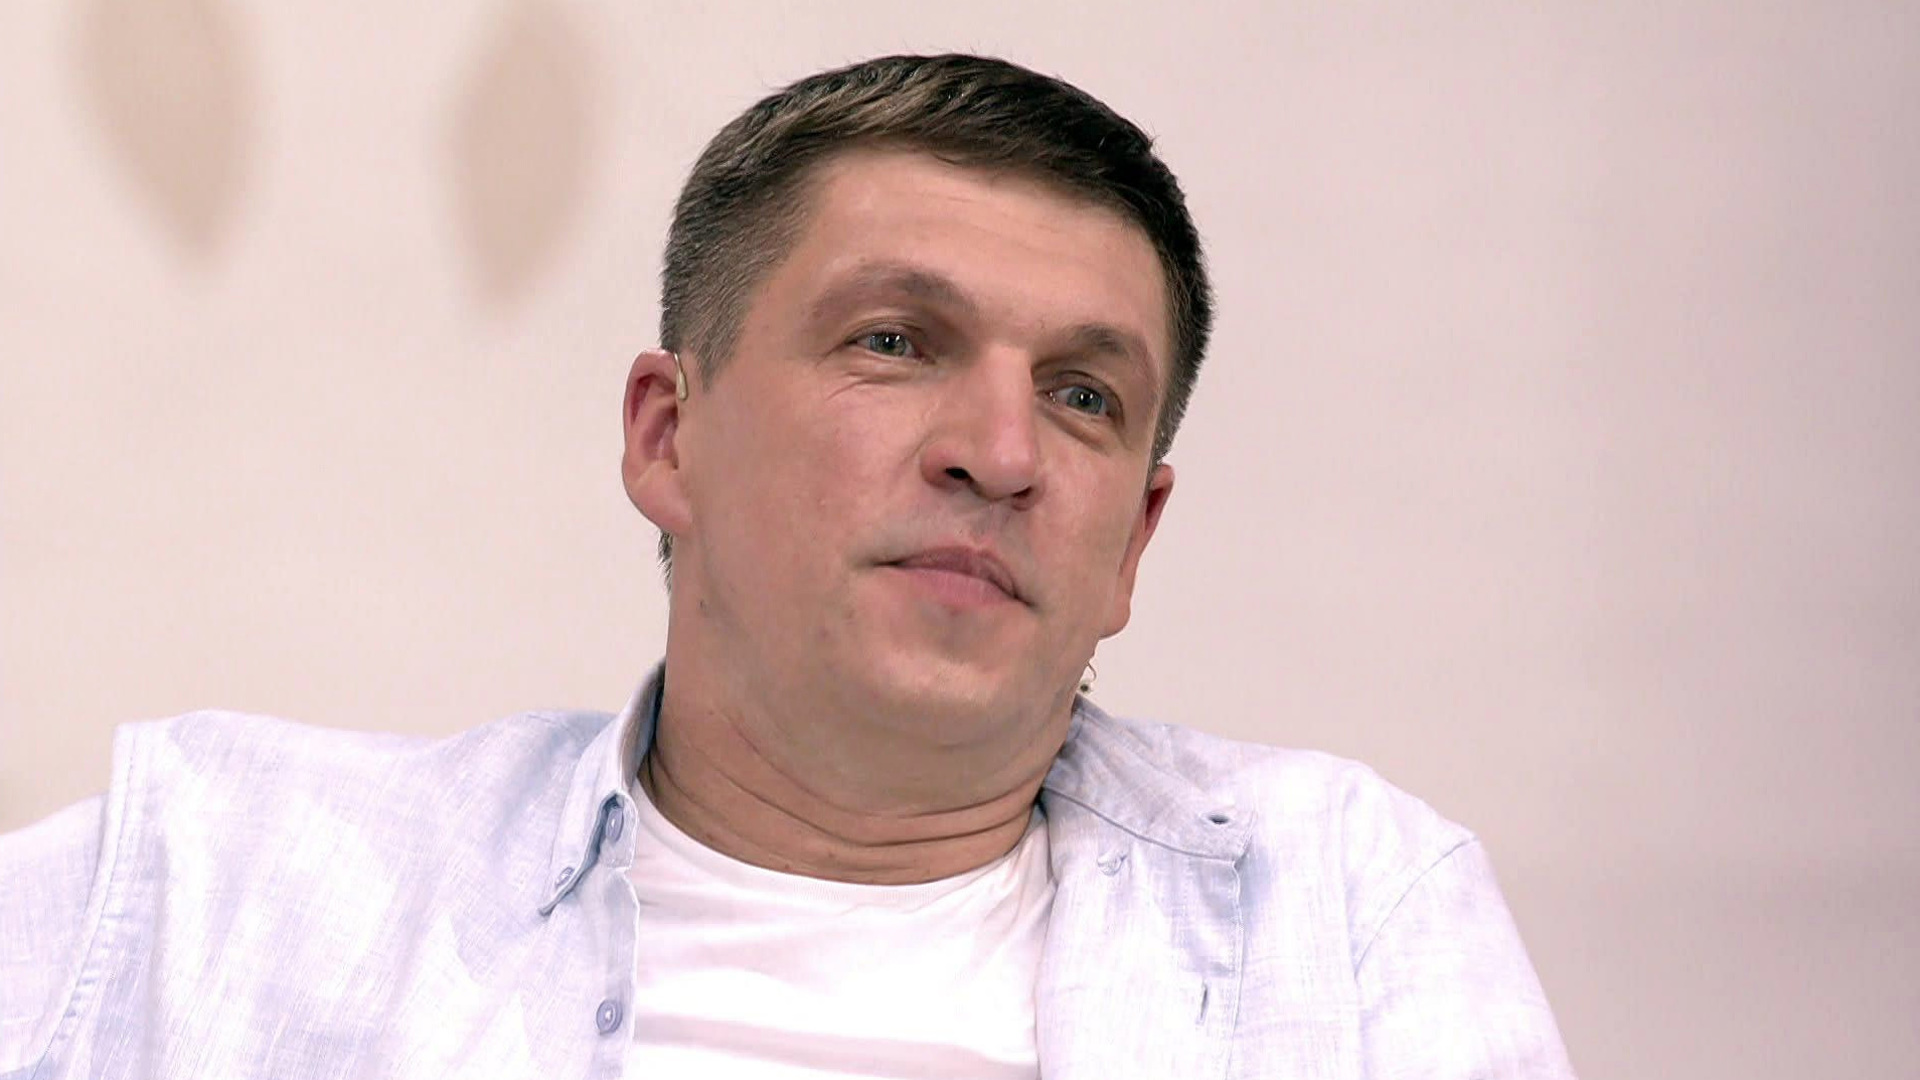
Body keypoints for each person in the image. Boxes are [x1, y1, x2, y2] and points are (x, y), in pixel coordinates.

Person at [0, 53, 1575, 1078]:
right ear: (667, 437)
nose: (1001, 452)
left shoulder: (1347, 909)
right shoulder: (209, 882)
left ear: (1133, 543)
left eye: (1083, 397)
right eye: (895, 342)